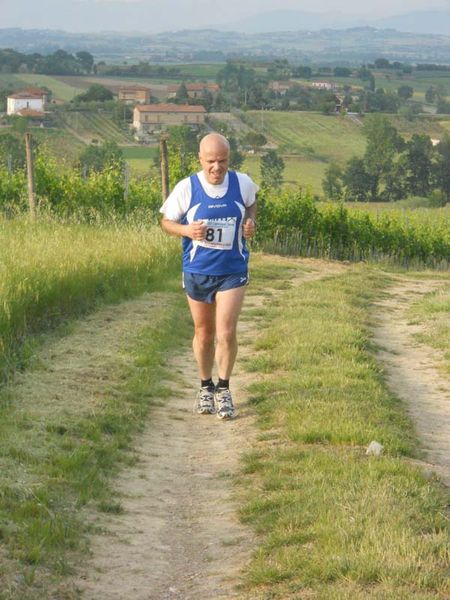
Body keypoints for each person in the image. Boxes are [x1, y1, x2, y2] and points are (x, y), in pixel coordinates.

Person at [160, 132, 258, 419]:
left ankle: (224, 388)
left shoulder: (242, 182)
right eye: (211, 161)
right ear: (200, 159)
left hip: (233, 270)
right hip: (198, 270)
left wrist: (251, 221)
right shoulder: (187, 188)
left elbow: (252, 202)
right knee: (204, 334)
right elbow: (166, 222)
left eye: (223, 161)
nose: (217, 167)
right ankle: (205, 386)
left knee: (226, 332)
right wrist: (186, 230)